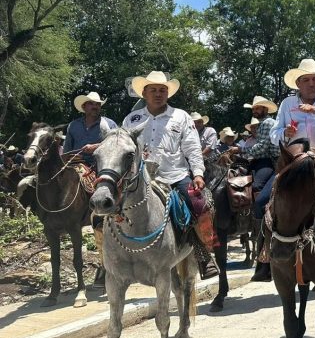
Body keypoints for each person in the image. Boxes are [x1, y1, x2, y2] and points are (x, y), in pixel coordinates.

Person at [123, 71, 218, 280]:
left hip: (175, 175)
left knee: (199, 204)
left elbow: (193, 148)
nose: (158, 94)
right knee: (106, 208)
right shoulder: (132, 119)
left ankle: (204, 254)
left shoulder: (181, 116)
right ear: (144, 93)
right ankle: (109, 262)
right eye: (153, 90)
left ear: (168, 93)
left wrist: (198, 174)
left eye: (162, 90)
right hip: (140, 177)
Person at [63, 91, 117, 289]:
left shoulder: (109, 124)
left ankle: (103, 217)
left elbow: (117, 143)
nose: (96, 107)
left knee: (103, 194)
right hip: (76, 164)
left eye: (98, 104)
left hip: (101, 165)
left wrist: (96, 146)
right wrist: (68, 160)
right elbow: (67, 150)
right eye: (92, 104)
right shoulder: (73, 126)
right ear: (84, 106)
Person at [228, 95, 280, 282]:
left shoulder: (267, 123)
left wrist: (240, 150)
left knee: (258, 194)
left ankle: (261, 231)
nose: (255, 111)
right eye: (254, 108)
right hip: (262, 161)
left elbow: (264, 147)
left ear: (265, 109)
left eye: (257, 108)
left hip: (273, 162)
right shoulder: (264, 124)